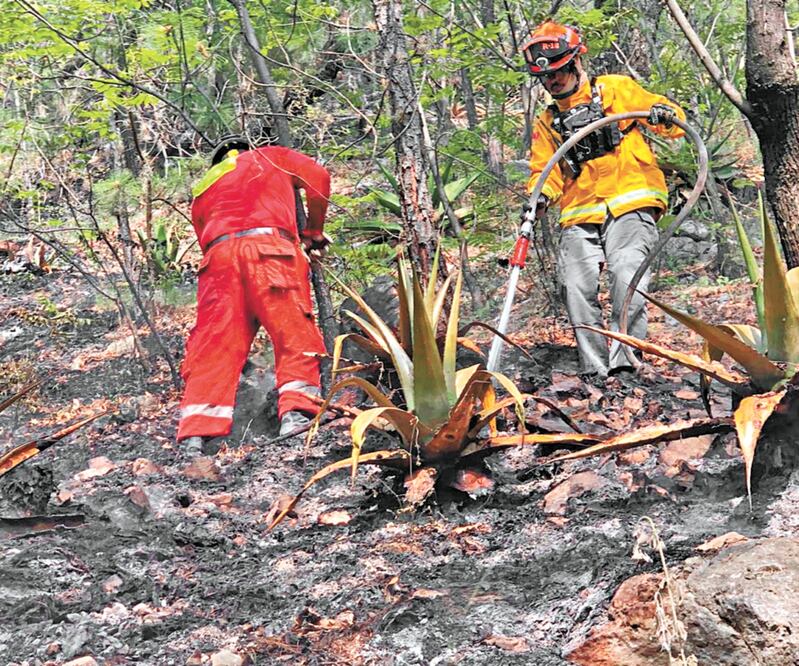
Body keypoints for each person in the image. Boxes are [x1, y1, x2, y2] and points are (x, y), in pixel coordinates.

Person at [521, 21, 686, 377]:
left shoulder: (615, 90)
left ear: (576, 61)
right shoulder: (548, 123)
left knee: (627, 275)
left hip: (630, 200)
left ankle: (626, 370)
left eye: (560, 71)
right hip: (580, 213)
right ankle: (595, 374)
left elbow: (669, 122)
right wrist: (539, 198)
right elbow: (545, 173)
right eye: (546, 77)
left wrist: (664, 114)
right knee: (575, 287)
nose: (553, 81)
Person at [178, 135, 331, 454]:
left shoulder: (204, 187)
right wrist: (313, 232)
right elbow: (319, 177)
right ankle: (297, 413)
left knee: (214, 343)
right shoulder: (271, 156)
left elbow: (204, 236)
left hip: (218, 262)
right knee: (293, 331)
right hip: (269, 252)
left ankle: (197, 434)